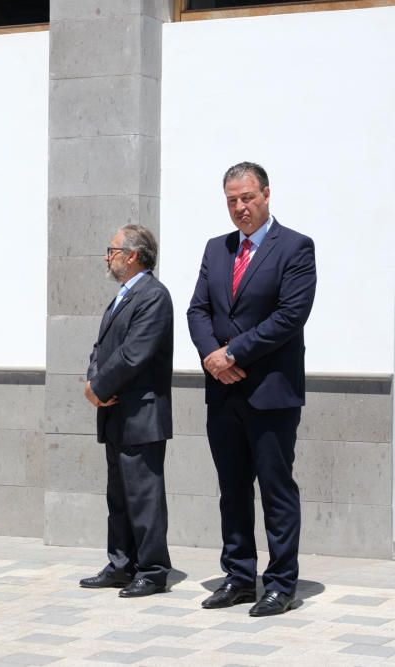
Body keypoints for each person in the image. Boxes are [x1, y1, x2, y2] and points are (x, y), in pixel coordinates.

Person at [186, 162, 316, 617]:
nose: (239, 208)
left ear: (266, 194)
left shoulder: (296, 248)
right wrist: (211, 358)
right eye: (231, 201)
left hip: (271, 393)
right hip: (223, 393)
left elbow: (289, 317)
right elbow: (197, 310)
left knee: (276, 490)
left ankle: (280, 583)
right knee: (232, 489)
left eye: (247, 198)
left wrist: (233, 354)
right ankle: (240, 577)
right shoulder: (216, 249)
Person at [80, 224, 173, 598]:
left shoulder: (154, 296)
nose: (108, 257)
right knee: (118, 495)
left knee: (143, 496)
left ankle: (152, 570)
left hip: (141, 414)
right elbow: (102, 348)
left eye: (113, 250)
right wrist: (93, 382)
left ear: (132, 255)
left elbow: (134, 353)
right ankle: (121, 564)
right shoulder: (122, 296)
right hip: (115, 411)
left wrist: (98, 387)